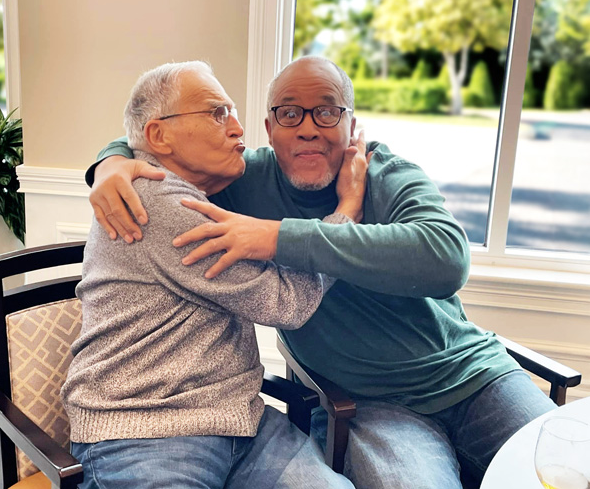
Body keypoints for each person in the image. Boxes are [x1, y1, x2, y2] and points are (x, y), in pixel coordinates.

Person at [86, 56, 557, 489]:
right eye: (290, 113)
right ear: (269, 128)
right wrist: (112, 162)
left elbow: (447, 256)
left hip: (474, 374)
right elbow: (158, 142)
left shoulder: (379, 171)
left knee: (567, 466)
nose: (308, 128)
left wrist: (280, 236)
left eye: (327, 112)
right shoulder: (237, 180)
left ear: (352, 124)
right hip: (372, 404)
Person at [61, 60, 359, 489]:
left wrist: (111, 158)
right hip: (143, 431)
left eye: (234, 112)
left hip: (240, 421)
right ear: (160, 136)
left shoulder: (191, 188)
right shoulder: (162, 203)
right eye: (218, 113)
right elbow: (286, 302)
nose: (238, 128)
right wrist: (346, 213)